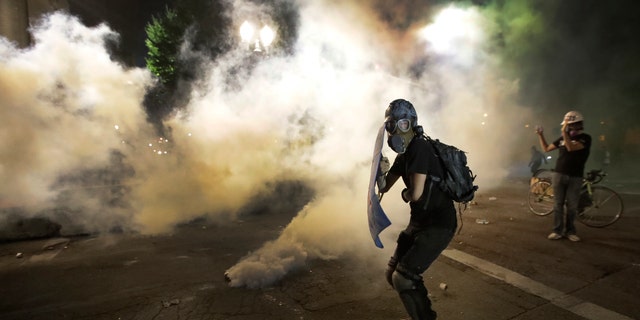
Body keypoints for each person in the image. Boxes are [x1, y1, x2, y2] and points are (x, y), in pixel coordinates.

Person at [378, 99, 457, 320]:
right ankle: (419, 311)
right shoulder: (403, 156)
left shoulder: (420, 148)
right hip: (419, 221)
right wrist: (379, 171)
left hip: (438, 223)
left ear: (411, 124)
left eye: (402, 125)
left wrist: (406, 194)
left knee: (403, 278)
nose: (396, 131)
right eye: (392, 126)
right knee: (392, 274)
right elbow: (383, 187)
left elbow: (415, 194)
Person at [535, 111, 591, 242]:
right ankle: (557, 231)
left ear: (577, 125)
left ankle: (570, 231)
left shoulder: (585, 138)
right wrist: (540, 135)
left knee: (572, 206)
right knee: (558, 204)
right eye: (567, 126)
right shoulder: (562, 138)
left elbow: (571, 148)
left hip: (575, 177)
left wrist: (564, 133)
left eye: (569, 125)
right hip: (559, 174)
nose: (568, 128)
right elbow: (546, 148)